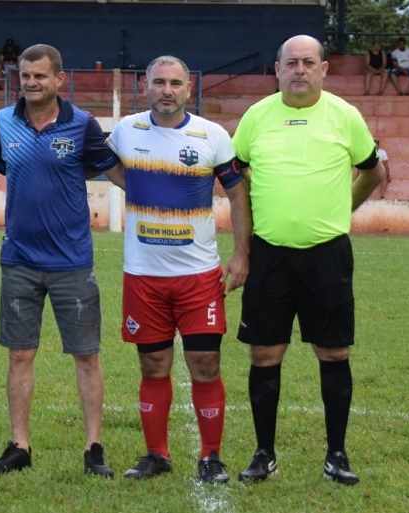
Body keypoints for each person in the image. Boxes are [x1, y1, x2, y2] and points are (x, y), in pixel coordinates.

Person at [231, 35, 383, 487]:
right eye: (291, 62)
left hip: (328, 255)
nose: (299, 69)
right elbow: (235, 174)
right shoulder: (257, 117)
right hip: (270, 254)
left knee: (334, 351)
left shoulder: (345, 116)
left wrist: (343, 210)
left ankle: (336, 454)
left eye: (308, 62)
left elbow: (373, 170)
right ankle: (264, 454)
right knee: (264, 352)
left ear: (324, 68)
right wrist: (245, 241)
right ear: (276, 69)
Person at [0, 43, 123, 477]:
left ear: (59, 79)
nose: (31, 83)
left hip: (72, 262)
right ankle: (19, 445)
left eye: (40, 75)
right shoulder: (4, 121)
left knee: (87, 357)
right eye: (25, 75)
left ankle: (93, 446)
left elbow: (117, 173)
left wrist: (166, 194)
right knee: (19, 356)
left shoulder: (82, 125)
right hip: (18, 259)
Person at [106, 55, 251, 485]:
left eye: (174, 83)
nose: (165, 90)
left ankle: (211, 456)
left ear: (189, 88)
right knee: (153, 365)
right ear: (145, 86)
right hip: (143, 275)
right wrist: (137, 185)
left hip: (198, 276)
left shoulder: (212, 135)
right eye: (158, 83)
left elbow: (237, 195)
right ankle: (156, 454)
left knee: (205, 362)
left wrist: (242, 253)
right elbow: (106, 164)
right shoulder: (126, 131)